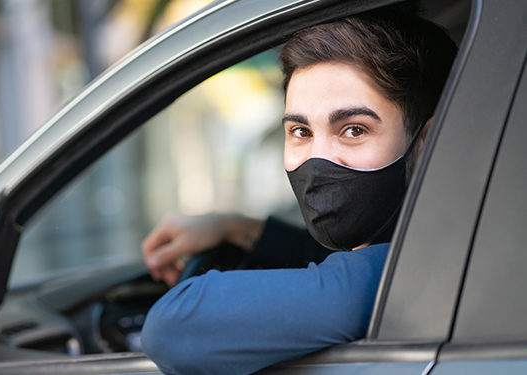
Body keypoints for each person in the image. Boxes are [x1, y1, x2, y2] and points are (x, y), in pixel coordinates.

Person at [141, 6, 457, 375]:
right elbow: (333, 263)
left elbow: (174, 326)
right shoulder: (454, 244)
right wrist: (236, 228)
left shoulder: (403, 275)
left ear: (429, 139)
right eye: (301, 132)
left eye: (353, 130)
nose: (317, 160)